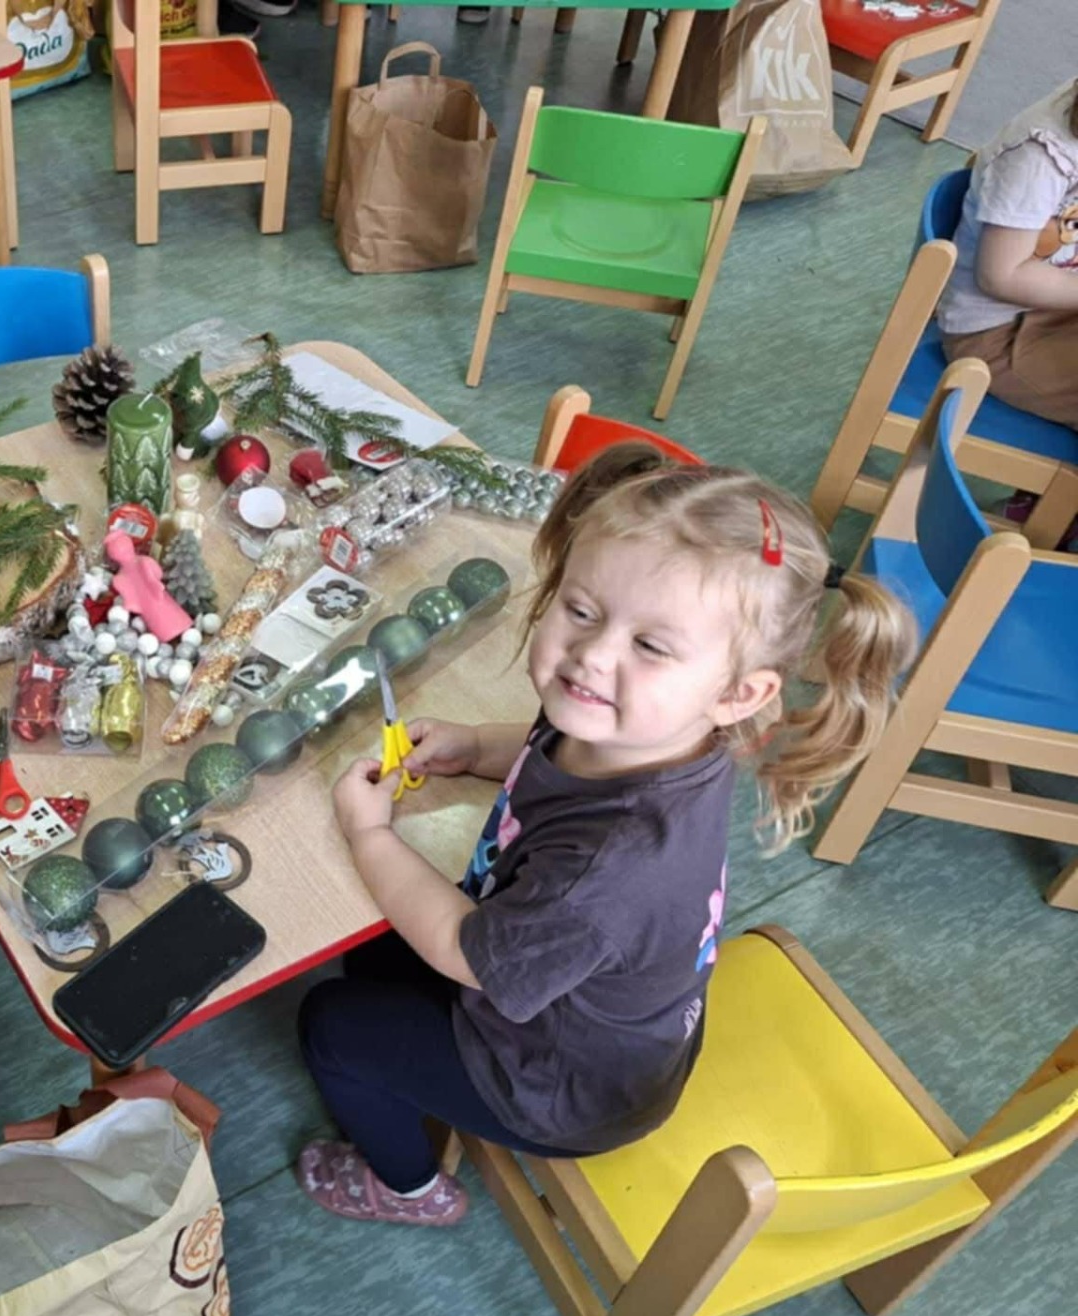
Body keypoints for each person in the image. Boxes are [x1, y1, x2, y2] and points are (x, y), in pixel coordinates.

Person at [293, 447, 916, 1226]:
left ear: (737, 694)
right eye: (581, 610)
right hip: (583, 1015)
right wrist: (476, 746)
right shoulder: (652, 728)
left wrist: (369, 836)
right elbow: (551, 746)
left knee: (332, 1023)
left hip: (557, 1091)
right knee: (371, 950)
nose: (591, 655)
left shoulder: (609, 870)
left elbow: (466, 953)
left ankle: (407, 1187)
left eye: (651, 646)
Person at [936, 78, 1078, 548]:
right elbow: (1000, 276)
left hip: (1052, 307)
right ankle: (1050, 510)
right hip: (998, 334)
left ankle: (1050, 505)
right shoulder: (1040, 156)